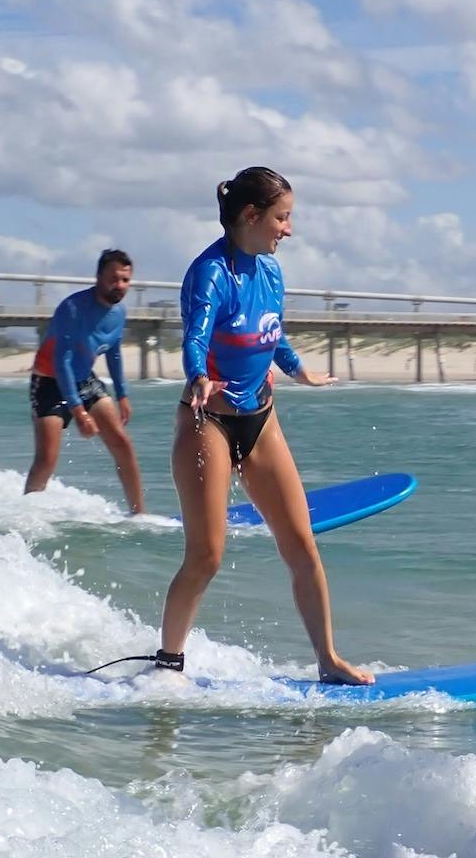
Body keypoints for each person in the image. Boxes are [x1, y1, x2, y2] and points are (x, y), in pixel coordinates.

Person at [154, 167, 371, 684]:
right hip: (209, 422)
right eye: (282, 217)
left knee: (302, 545)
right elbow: (195, 335)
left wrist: (298, 370)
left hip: (261, 420)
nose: (288, 230)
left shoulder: (270, 272)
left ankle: (328, 660)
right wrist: (197, 376)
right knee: (206, 555)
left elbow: (273, 332)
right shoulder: (210, 273)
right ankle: (167, 664)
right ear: (251, 216)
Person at [26, 248, 145, 513]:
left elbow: (113, 352)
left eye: (125, 280)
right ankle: (26, 514)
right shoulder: (72, 309)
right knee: (46, 459)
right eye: (113, 279)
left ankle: (140, 515)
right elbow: (63, 362)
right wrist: (78, 411)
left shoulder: (119, 312)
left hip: (84, 379)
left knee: (122, 444)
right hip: (49, 383)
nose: (120, 285)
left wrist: (122, 394)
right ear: (99, 277)